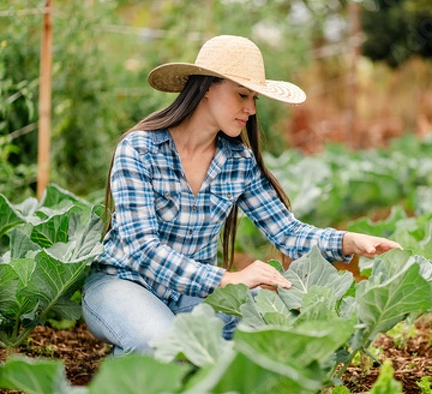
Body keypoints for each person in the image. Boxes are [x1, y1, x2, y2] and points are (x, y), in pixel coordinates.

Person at [82, 35, 402, 357]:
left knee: (261, 333)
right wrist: (227, 278)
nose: (250, 109)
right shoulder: (140, 150)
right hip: (124, 282)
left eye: (254, 99)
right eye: (241, 95)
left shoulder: (238, 162)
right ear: (206, 87)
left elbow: (287, 233)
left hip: (191, 295)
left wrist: (351, 241)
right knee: (161, 344)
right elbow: (142, 249)